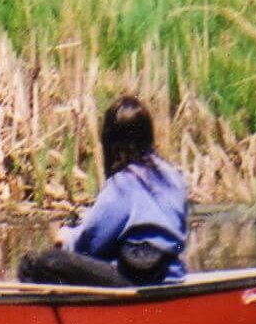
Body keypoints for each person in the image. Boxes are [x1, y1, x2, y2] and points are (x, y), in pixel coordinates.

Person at [18, 95, 187, 287]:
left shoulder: (122, 184)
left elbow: (90, 246)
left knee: (38, 264)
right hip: (172, 277)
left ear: (110, 142)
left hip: (136, 282)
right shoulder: (174, 177)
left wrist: (65, 238)